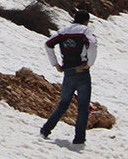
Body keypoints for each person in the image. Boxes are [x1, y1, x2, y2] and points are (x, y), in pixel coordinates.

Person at [40, 10, 98, 144]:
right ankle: (79, 139)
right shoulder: (85, 31)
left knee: (63, 104)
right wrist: (89, 63)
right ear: (86, 21)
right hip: (82, 72)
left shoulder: (64, 31)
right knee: (83, 107)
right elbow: (93, 44)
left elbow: (48, 44)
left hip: (68, 72)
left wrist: (55, 64)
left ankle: (45, 130)